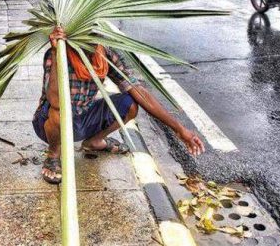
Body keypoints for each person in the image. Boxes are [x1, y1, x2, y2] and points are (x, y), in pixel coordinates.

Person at [34, 26, 205, 184]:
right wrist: (57, 52)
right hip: (50, 124)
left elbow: (138, 90)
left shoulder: (104, 53)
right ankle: (53, 155)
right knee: (60, 110)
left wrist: (179, 129)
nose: (94, 39)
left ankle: (94, 141)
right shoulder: (57, 52)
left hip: (84, 116)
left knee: (129, 103)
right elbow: (55, 101)